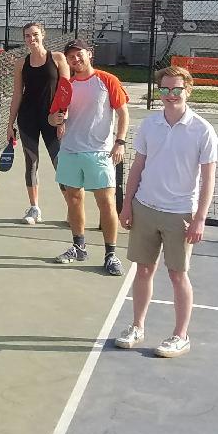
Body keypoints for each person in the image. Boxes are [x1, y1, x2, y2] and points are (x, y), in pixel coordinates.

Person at [114, 65, 218, 359]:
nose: (171, 95)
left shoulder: (203, 130)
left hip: (180, 213)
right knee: (144, 270)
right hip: (145, 207)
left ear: (188, 91)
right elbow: (137, 166)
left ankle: (180, 336)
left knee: (177, 275)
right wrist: (126, 205)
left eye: (177, 90)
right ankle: (137, 326)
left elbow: (208, 178)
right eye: (165, 90)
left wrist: (199, 218)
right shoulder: (149, 125)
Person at [47, 38, 129, 276]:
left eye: (79, 54)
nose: (76, 59)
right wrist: (56, 121)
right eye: (71, 57)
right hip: (70, 151)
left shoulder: (107, 80)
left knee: (106, 203)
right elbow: (53, 116)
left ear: (89, 54)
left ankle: (111, 254)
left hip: (99, 152)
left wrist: (120, 142)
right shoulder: (67, 86)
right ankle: (78, 246)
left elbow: (123, 113)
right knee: (73, 199)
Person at [6, 22, 70, 224]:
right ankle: (34, 209)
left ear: (43, 35)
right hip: (27, 119)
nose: (31, 39)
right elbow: (17, 94)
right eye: (27, 36)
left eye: (35, 35)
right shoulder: (21, 64)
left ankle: (72, 209)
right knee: (31, 162)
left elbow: (65, 92)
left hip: (52, 119)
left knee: (60, 164)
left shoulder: (58, 59)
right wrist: (10, 124)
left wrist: (62, 119)